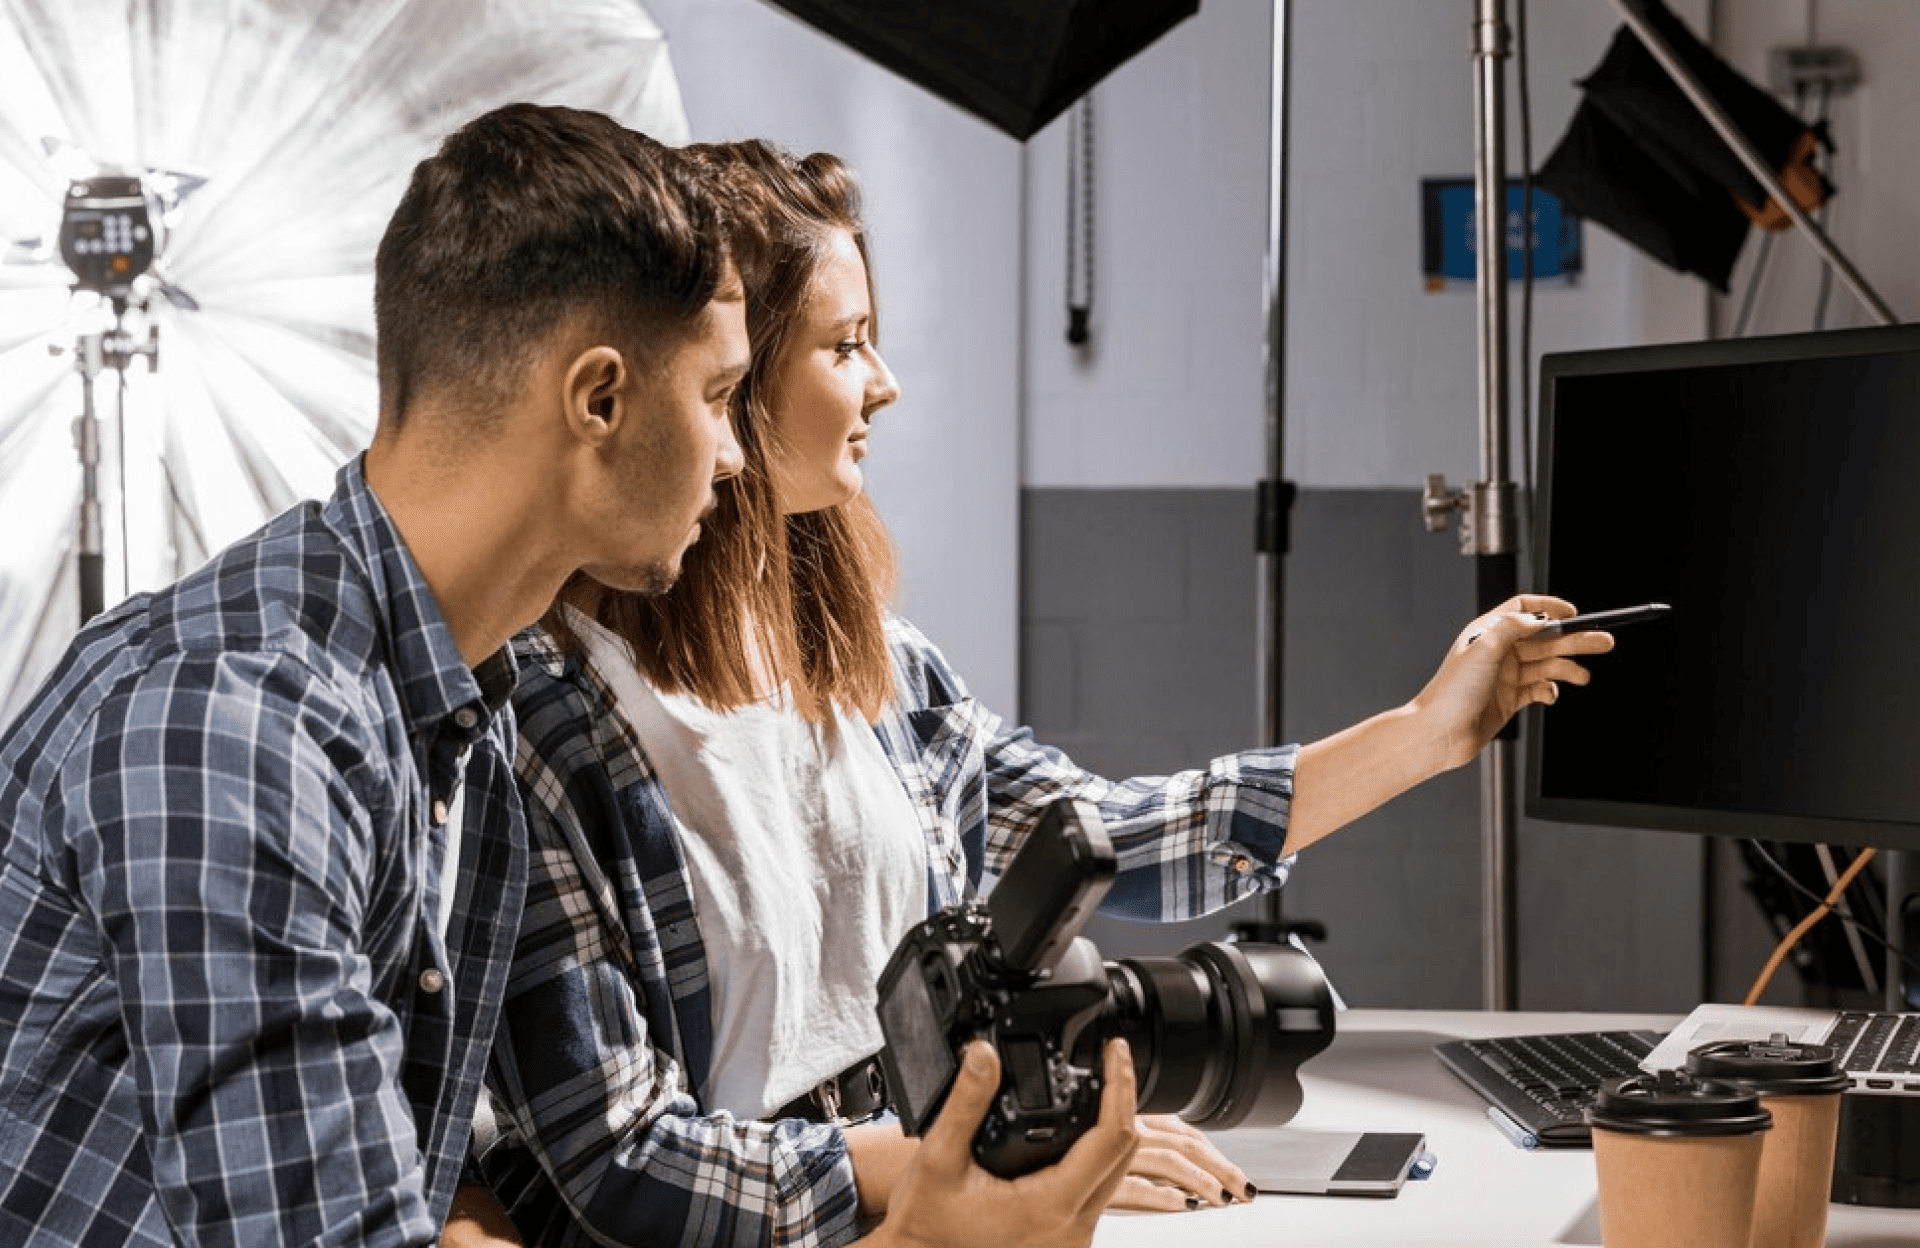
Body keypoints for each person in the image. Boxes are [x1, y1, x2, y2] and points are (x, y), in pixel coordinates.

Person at [0, 104, 1133, 1248]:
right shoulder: (244, 734)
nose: (737, 454)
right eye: (714, 398)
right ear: (598, 400)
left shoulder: (450, 706)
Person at [460, 140, 1614, 1248]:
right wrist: (944, 1173)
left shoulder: (876, 665)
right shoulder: (551, 722)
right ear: (733, 378)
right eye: (846, 344)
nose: (887, 383)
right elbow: (614, 1168)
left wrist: (1426, 733)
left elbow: (1102, 841)